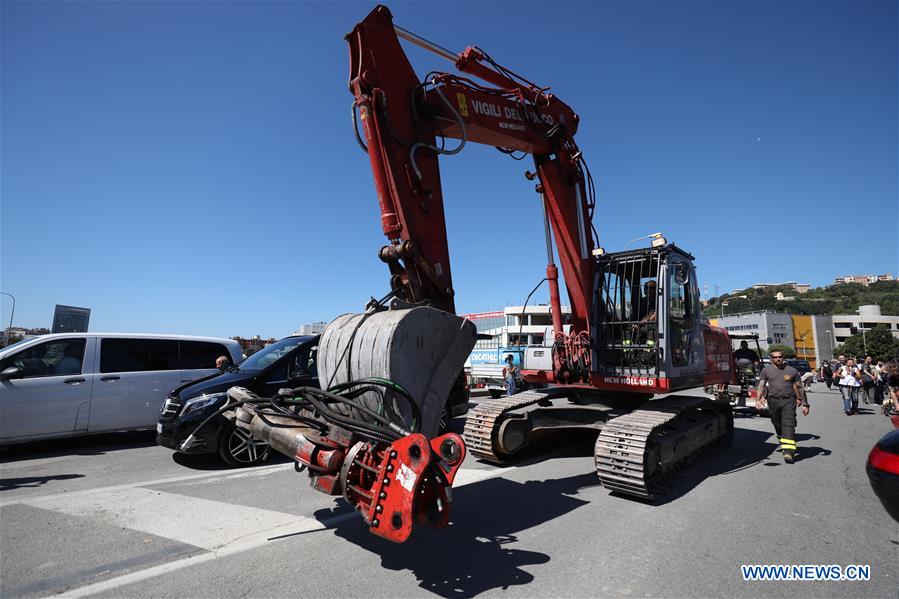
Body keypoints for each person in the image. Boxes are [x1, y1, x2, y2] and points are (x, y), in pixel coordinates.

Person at [757, 350, 809, 463]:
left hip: (788, 400)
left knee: (788, 424)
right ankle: (783, 440)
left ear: (783, 357)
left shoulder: (792, 370)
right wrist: (758, 399)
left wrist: (805, 404)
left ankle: (788, 452)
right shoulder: (766, 370)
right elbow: (761, 385)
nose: (778, 359)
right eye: (775, 357)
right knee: (777, 423)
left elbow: (800, 387)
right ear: (771, 359)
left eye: (780, 357)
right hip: (772, 401)